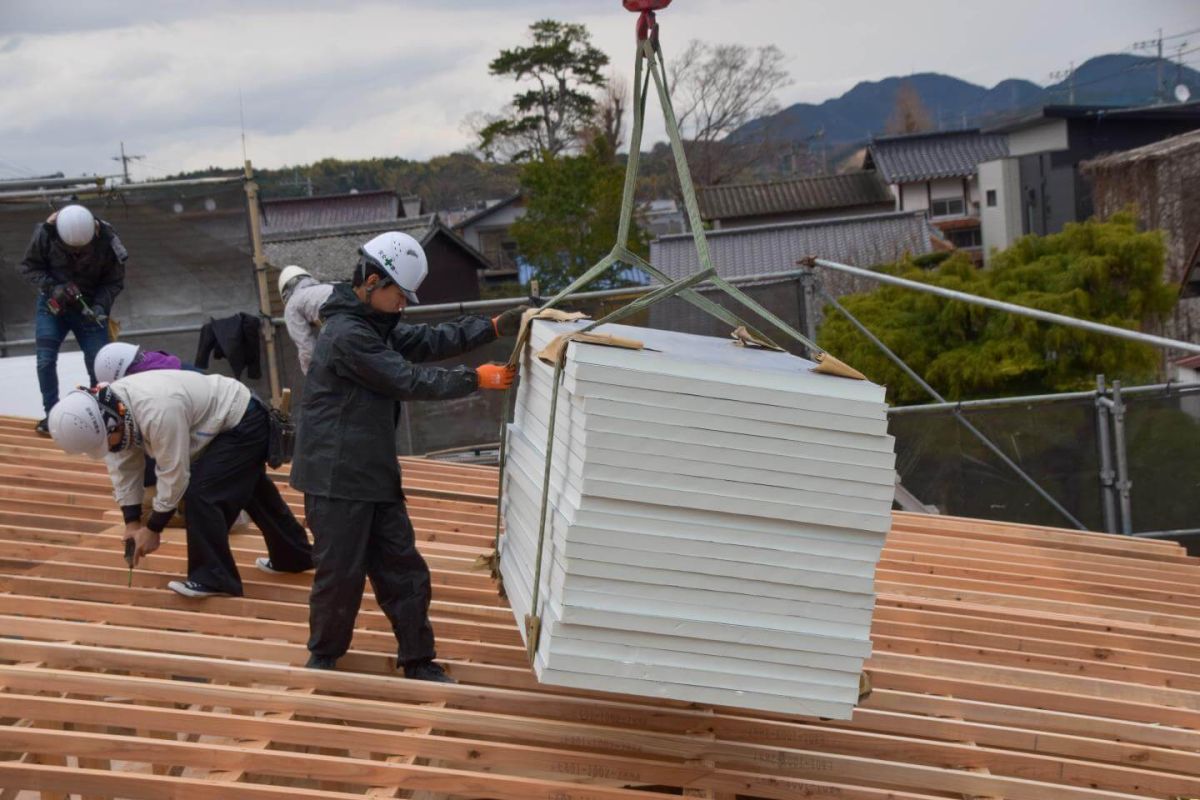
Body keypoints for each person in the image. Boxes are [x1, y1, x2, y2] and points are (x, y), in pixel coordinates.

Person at [290, 230, 525, 682]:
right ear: (373, 281)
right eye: (400, 294)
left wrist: (492, 327)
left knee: (404, 570)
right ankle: (324, 661)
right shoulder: (345, 335)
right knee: (340, 578)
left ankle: (418, 660)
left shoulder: (373, 324)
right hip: (336, 478)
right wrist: (475, 380)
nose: (404, 304)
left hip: (372, 472)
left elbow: (426, 340)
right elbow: (407, 379)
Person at [46, 370, 314, 598]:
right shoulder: (114, 409)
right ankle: (295, 555)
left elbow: (174, 474)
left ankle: (215, 578)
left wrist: (154, 528)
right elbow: (123, 468)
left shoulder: (157, 409)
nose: (109, 448)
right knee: (249, 486)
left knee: (202, 494)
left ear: (112, 424)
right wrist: (131, 523)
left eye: (107, 441)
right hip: (221, 421)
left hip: (242, 419)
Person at [19, 204, 127, 435]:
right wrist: (53, 287)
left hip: (89, 308)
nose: (76, 254)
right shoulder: (45, 233)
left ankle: (100, 415)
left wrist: (100, 305)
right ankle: (53, 416)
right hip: (54, 306)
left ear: (94, 234)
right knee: (45, 361)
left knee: (100, 363)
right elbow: (29, 267)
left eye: (83, 249)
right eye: (69, 249)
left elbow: (114, 281)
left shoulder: (110, 241)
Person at [278, 265, 334, 375]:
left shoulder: (292, 305)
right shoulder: (327, 287)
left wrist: (312, 377)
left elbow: (306, 347)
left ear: (285, 292)